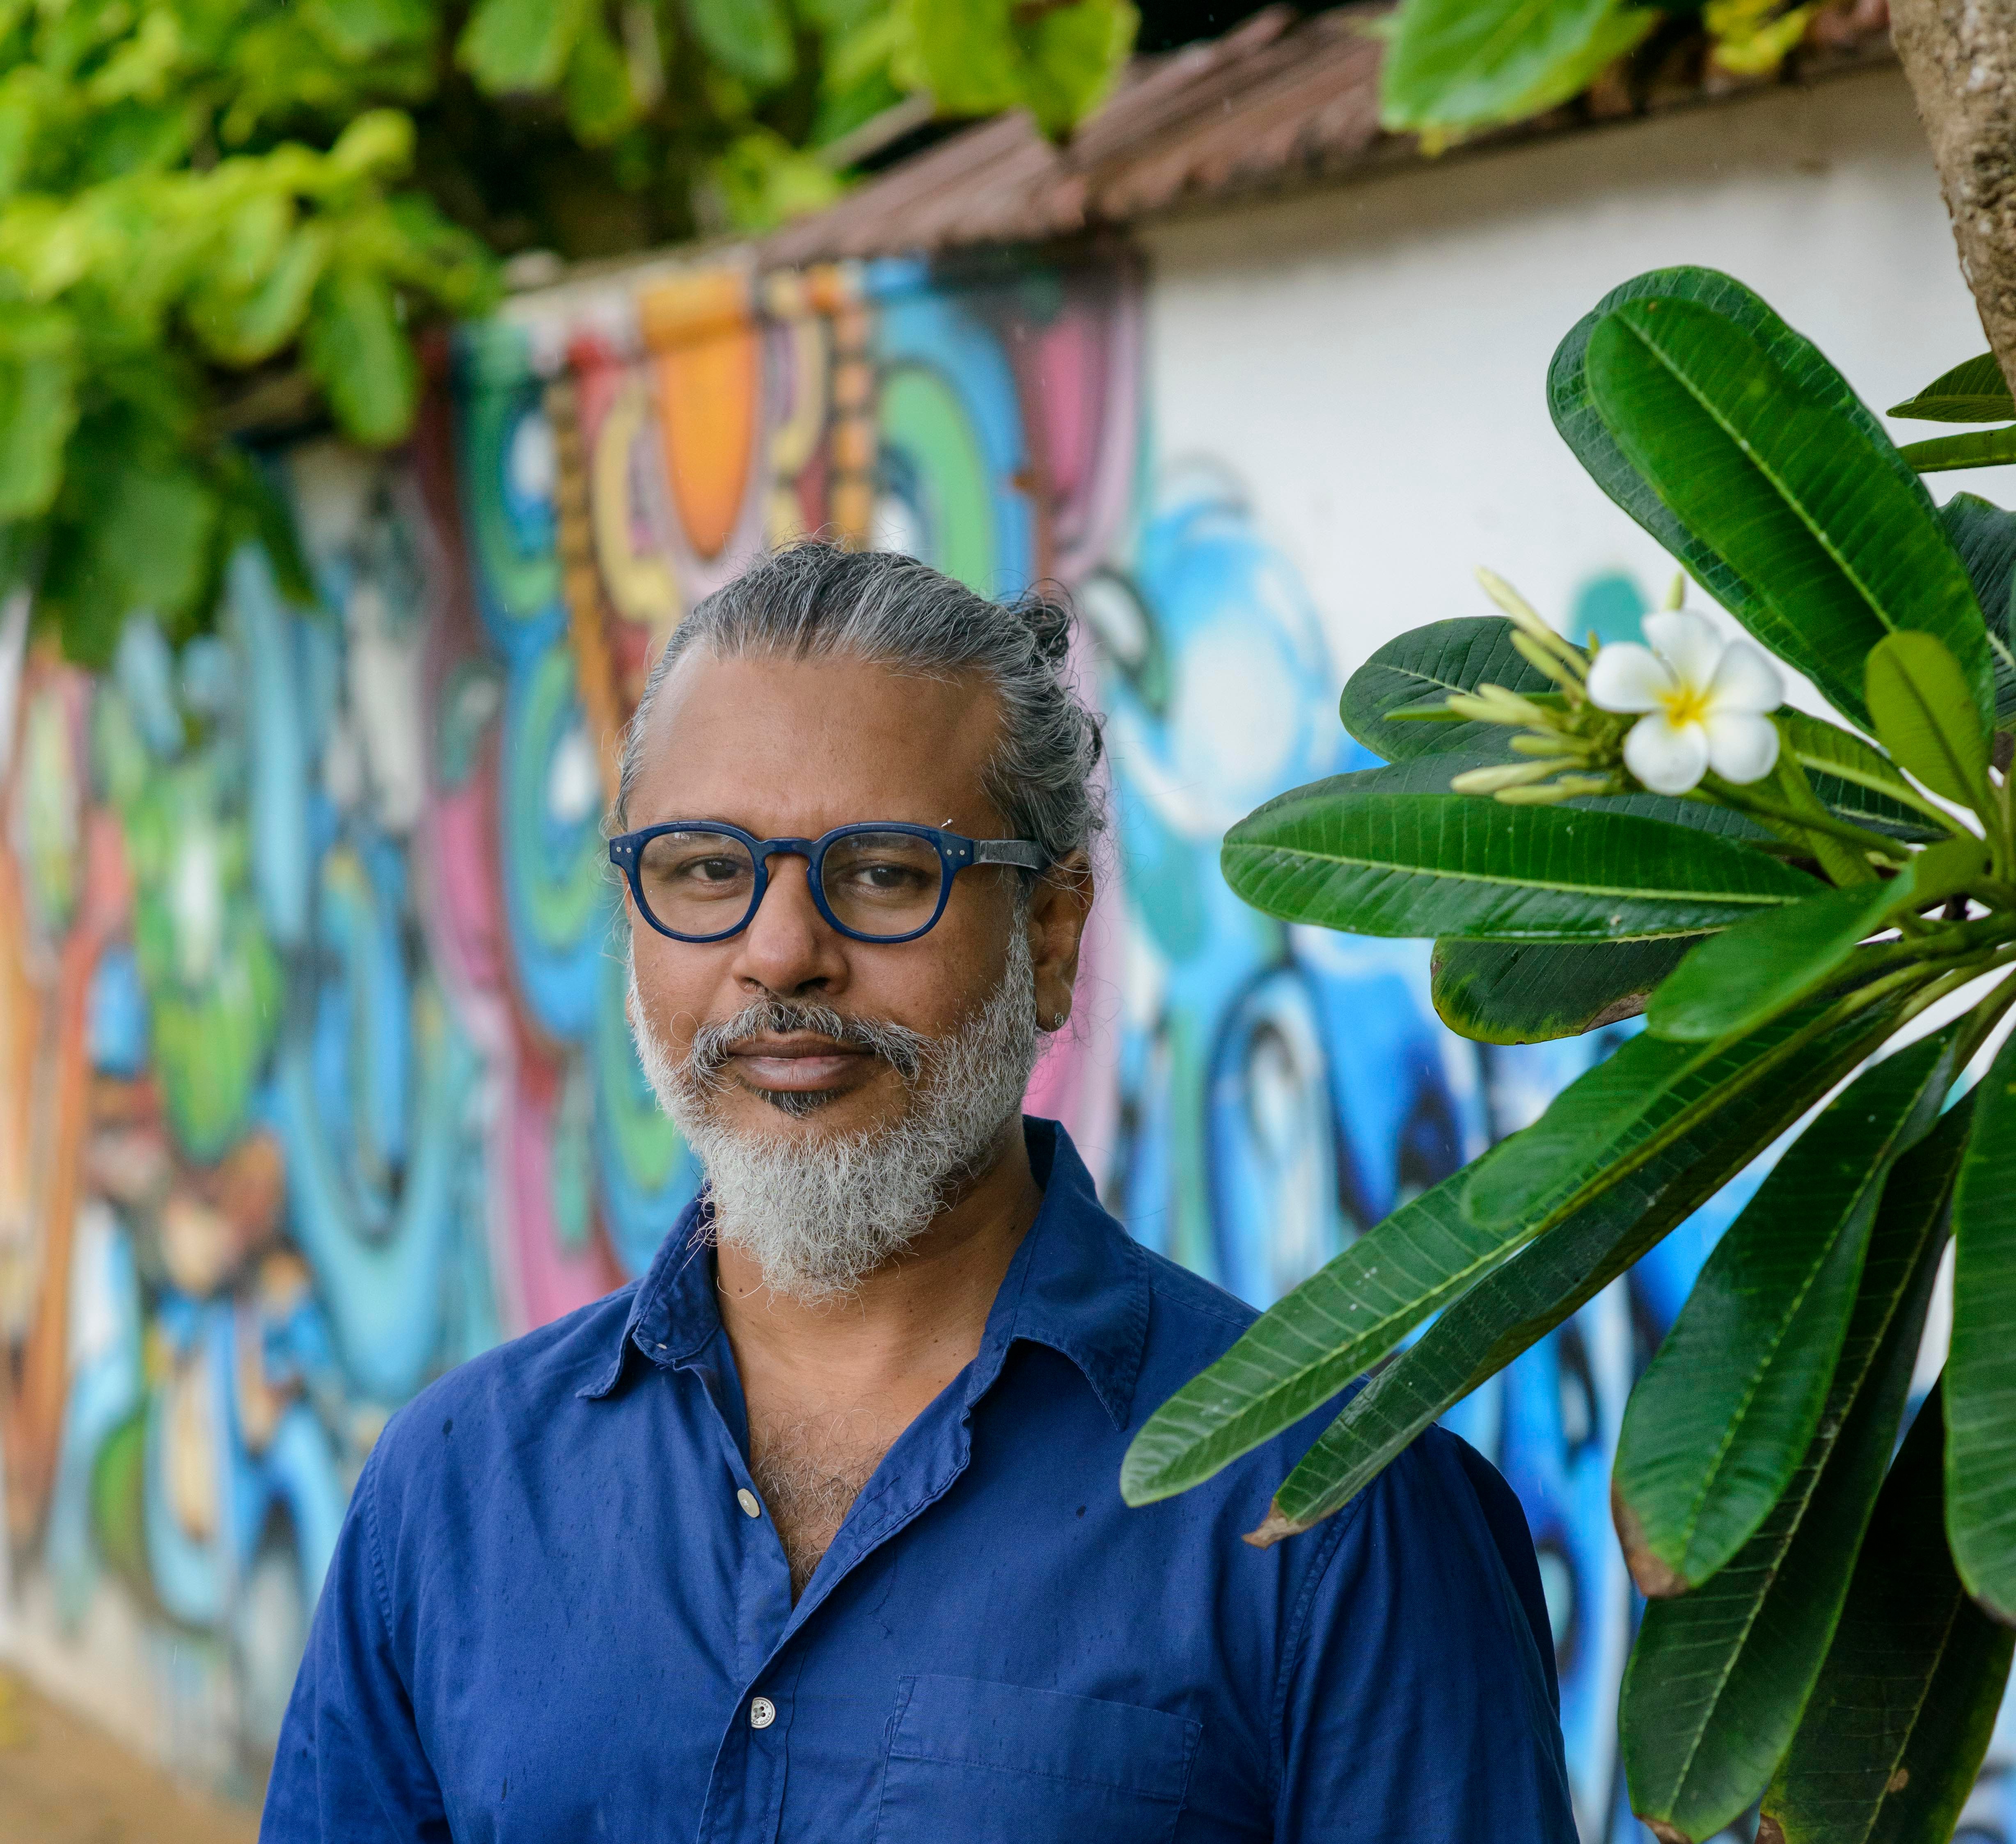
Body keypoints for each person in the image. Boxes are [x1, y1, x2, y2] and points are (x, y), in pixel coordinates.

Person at [261, 542, 1576, 1842]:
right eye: (707, 870)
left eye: (887, 873)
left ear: (1051, 935)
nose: (780, 954)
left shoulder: (1337, 1512)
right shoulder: (455, 1489)